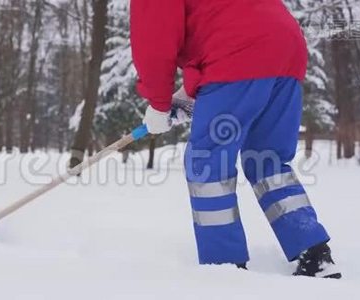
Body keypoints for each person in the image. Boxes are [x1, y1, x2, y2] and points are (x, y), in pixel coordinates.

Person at [130, 0, 341, 279]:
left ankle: (225, 267)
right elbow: (226, 18)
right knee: (269, 160)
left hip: (237, 51)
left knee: (207, 162)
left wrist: (157, 102)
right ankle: (314, 253)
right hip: (285, 47)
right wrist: (190, 93)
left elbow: (155, 38)